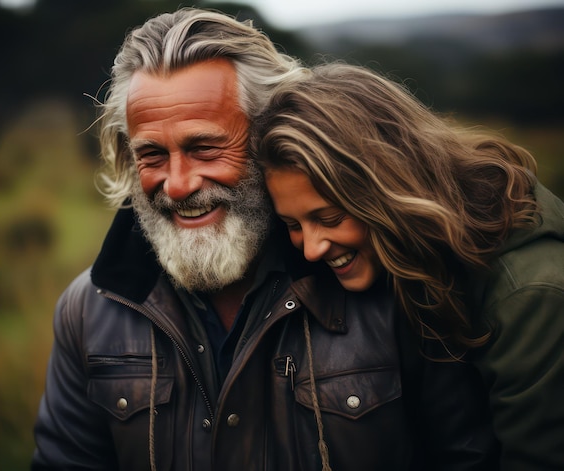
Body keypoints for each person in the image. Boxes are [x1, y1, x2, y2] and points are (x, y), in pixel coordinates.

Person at [32, 9, 498, 470]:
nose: (176, 184)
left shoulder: (392, 280)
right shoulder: (87, 312)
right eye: (152, 155)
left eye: (204, 148)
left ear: (268, 137)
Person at [253, 62, 564, 471]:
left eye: (329, 219)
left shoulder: (530, 293)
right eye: (293, 225)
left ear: (389, 188)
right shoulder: (416, 253)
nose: (311, 249)